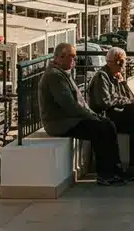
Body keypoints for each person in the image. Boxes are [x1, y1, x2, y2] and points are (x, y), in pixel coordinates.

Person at [38, 42, 125, 185]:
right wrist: (91, 116)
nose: (74, 60)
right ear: (60, 57)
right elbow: (70, 105)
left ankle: (114, 170)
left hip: (70, 119)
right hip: (60, 122)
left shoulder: (61, 73)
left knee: (107, 125)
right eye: (71, 57)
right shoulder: (54, 76)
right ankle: (106, 174)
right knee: (101, 129)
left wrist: (92, 115)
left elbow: (77, 104)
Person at [86, 47, 134, 168]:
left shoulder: (114, 76)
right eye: (122, 63)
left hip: (115, 113)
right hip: (105, 115)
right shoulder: (102, 77)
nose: (123, 67)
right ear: (115, 62)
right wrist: (130, 101)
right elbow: (106, 102)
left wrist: (123, 83)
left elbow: (130, 97)